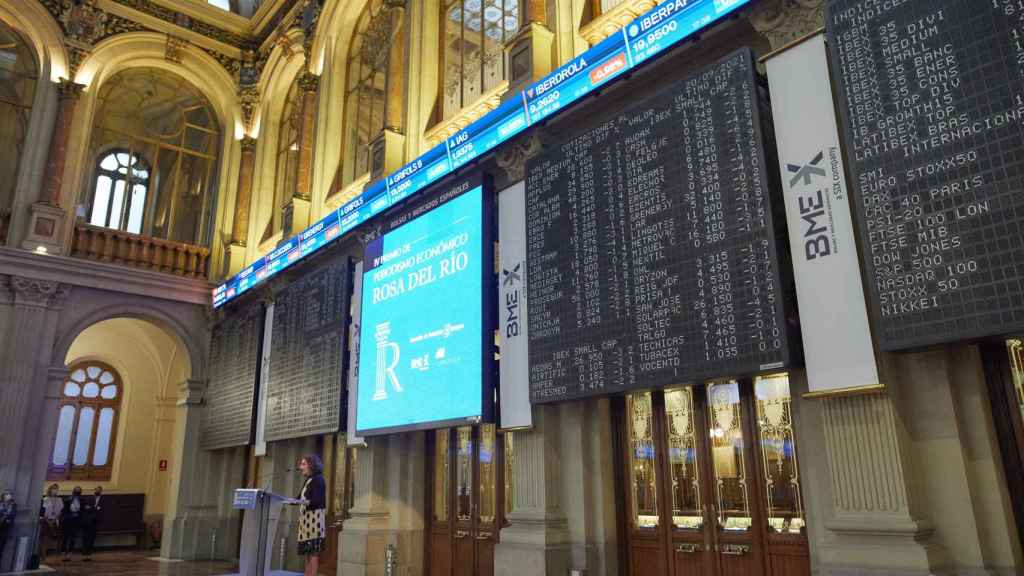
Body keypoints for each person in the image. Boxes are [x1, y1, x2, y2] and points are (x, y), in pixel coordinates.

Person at [296, 455, 326, 576]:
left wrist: (303, 502)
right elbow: (299, 498)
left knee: (313, 553)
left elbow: (318, 501)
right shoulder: (308, 480)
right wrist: (284, 500)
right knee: (307, 553)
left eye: (303, 464)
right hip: (305, 521)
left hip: (314, 521)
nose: (300, 467)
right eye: (301, 464)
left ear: (311, 465)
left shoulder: (318, 479)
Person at [38, 485, 62, 562]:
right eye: (53, 489)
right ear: (50, 490)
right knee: (44, 539)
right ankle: (43, 556)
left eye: (56, 489)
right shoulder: (46, 499)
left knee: (54, 539)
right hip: (46, 521)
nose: (55, 491)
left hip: (55, 521)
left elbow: (60, 511)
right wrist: (48, 521)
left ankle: (54, 556)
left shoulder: (59, 500)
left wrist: (54, 520)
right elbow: (43, 512)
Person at [60, 487, 84, 562]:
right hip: (67, 521)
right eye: (76, 491)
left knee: (73, 538)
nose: (77, 492)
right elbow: (64, 511)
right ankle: (63, 553)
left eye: (79, 491)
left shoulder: (82, 501)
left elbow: (82, 511)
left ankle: (70, 554)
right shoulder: (68, 500)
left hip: (76, 521)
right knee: (65, 537)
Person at [81, 486, 102, 561]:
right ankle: (84, 554)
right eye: (96, 490)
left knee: (92, 539)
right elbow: (86, 508)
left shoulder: (103, 500)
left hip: (96, 522)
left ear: (101, 491)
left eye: (99, 490)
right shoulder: (89, 498)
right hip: (87, 521)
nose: (97, 491)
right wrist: (94, 509)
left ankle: (89, 554)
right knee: (85, 538)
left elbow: (102, 510)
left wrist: (93, 509)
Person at [0, 491, 16, 569]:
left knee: (1, 548)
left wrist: (5, 517)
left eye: (10, 494)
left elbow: (12, 516)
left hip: (5, 528)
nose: (8, 495)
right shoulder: (0, 503)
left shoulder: (13, 505)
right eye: (6, 494)